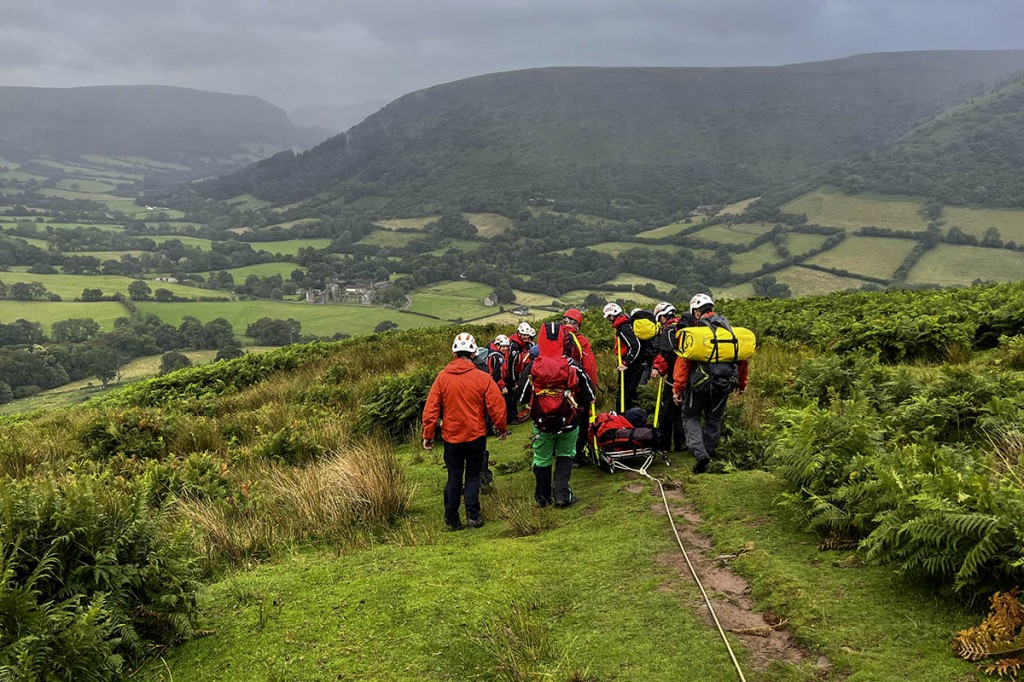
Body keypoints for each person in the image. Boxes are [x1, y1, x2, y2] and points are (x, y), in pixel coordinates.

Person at [423, 332, 508, 529]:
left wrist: (428, 435)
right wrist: (501, 428)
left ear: (454, 353)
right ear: (474, 354)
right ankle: (473, 516)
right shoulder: (482, 377)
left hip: (452, 437)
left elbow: (431, 409)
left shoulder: (442, 378)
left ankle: (452, 518)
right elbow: (497, 405)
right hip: (475, 436)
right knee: (472, 474)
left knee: (454, 476)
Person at [517, 322, 596, 507]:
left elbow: (521, 396)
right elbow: (590, 395)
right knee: (566, 454)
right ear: (563, 340)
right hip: (569, 421)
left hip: (541, 423)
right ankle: (561, 494)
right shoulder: (572, 365)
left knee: (542, 458)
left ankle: (542, 498)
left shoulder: (533, 367)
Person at [672, 294, 748, 474]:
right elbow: (742, 360)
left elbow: (683, 363)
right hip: (724, 385)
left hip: (699, 385)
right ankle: (709, 452)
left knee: (690, 417)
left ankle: (700, 455)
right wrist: (742, 384)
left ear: (696, 312)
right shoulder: (729, 332)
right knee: (713, 419)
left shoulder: (695, 333)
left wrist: (678, 388)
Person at [561, 308, 598, 466]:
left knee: (562, 419)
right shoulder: (580, 341)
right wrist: (591, 389)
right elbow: (588, 366)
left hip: (557, 388)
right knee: (581, 421)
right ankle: (576, 456)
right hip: (577, 387)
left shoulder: (554, 337)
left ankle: (561, 453)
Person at [649, 302, 688, 453]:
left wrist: (657, 369)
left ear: (663, 316)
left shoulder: (669, 330)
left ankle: (664, 444)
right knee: (681, 411)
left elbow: (666, 354)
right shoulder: (685, 327)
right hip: (687, 375)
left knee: (668, 410)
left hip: (673, 376)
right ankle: (681, 443)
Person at [603, 302, 643, 411]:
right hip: (631, 363)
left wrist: (626, 363)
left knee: (625, 392)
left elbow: (635, 346)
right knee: (627, 392)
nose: (609, 320)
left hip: (629, 365)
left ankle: (623, 416)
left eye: (609, 317)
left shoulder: (623, 327)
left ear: (612, 315)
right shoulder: (625, 324)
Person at [505, 322, 536, 423]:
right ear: (519, 334)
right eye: (524, 335)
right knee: (512, 396)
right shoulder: (515, 346)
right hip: (510, 375)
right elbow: (511, 366)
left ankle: (513, 416)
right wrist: (513, 381)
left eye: (527, 335)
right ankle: (511, 418)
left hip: (514, 373)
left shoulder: (521, 344)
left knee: (513, 396)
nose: (526, 337)